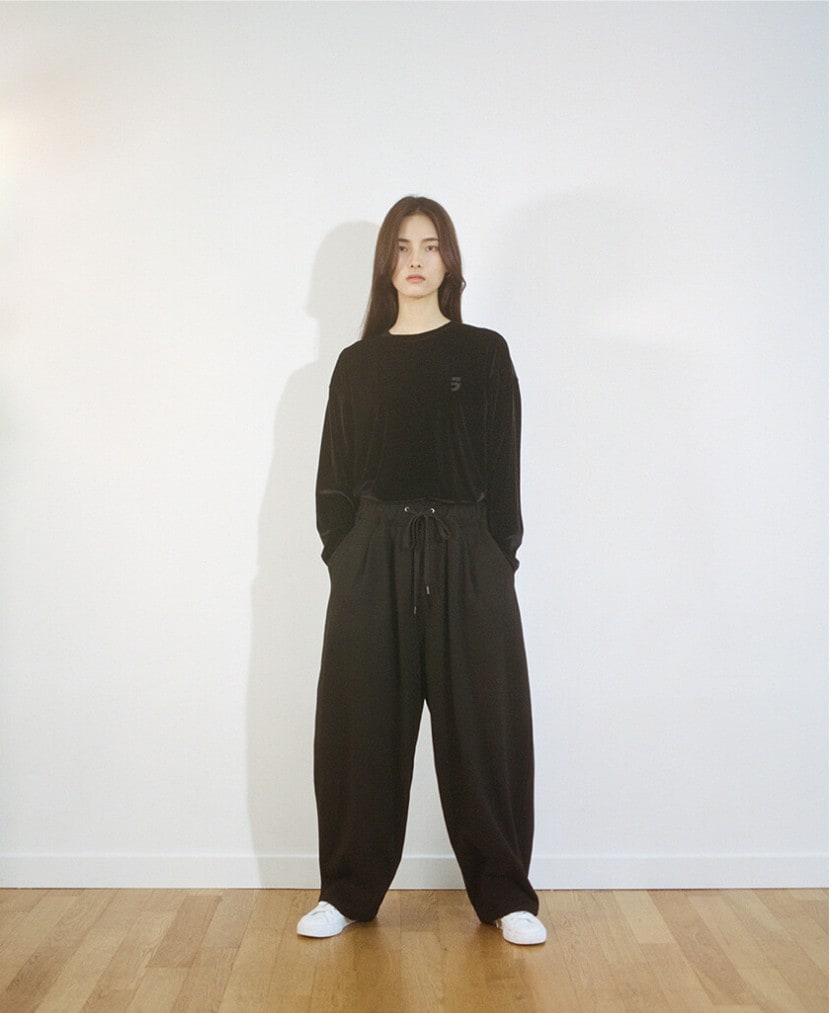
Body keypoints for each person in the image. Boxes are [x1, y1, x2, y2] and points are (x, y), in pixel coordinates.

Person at [297, 196, 545, 946]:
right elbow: (334, 478)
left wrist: (496, 557)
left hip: (468, 557)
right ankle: (345, 891)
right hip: (373, 559)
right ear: (385, 263)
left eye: (430, 245)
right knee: (361, 728)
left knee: (485, 730)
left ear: (449, 260)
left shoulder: (484, 353)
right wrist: (346, 555)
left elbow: (504, 471)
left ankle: (506, 895)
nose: (415, 259)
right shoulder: (358, 363)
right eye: (402, 246)